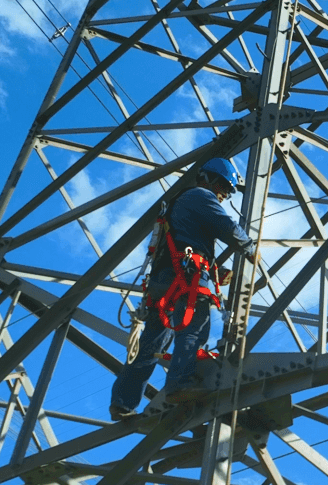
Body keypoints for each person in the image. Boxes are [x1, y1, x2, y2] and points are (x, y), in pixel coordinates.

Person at [109, 157, 256, 419]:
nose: (223, 196)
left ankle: (122, 402)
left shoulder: (180, 203)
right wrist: (250, 249)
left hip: (164, 280)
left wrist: (215, 272)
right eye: (223, 188)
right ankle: (179, 384)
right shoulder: (201, 195)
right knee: (194, 328)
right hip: (184, 278)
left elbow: (184, 240)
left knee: (152, 342)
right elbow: (228, 228)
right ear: (210, 179)